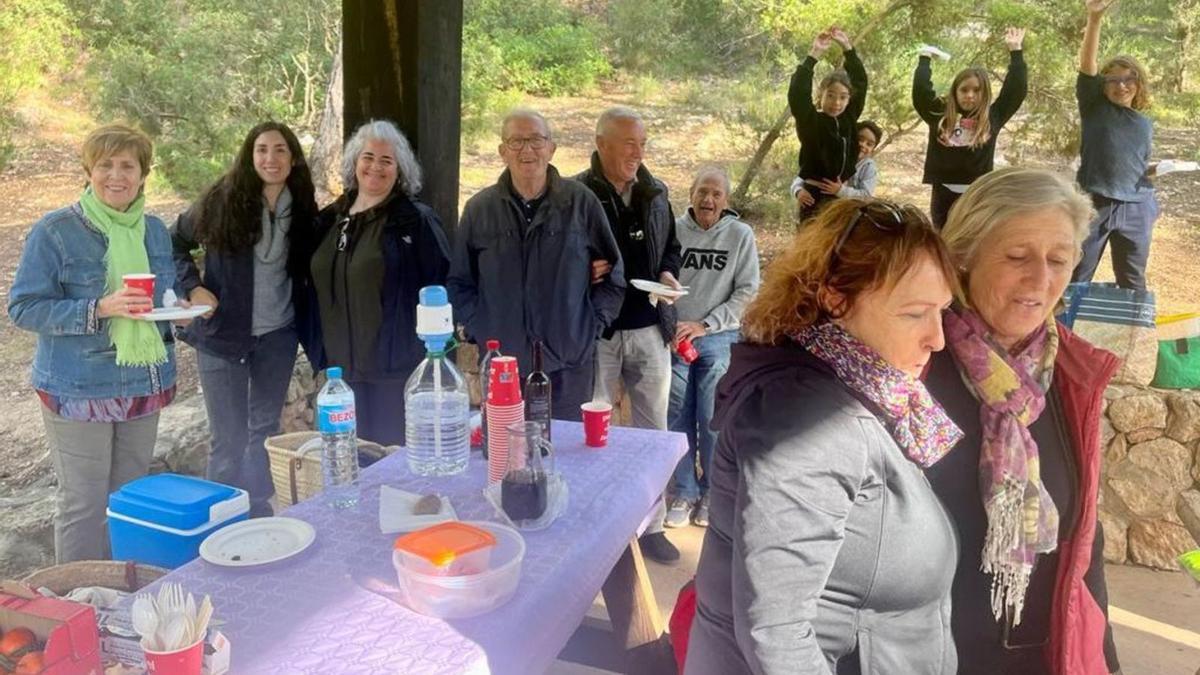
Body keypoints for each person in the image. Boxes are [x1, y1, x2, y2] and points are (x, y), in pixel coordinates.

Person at [683, 198, 961, 674]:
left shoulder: (859, 383)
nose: (937, 337)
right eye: (915, 314)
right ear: (835, 298)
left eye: (943, 312)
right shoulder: (806, 419)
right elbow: (777, 635)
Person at [929, 167, 1121, 674]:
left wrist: (1103, 663)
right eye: (1017, 256)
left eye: (1058, 259)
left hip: (1035, 657)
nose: (1040, 279)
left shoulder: (1070, 378)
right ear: (965, 255)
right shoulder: (913, 365)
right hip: (922, 657)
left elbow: (1084, 547)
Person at [9, 124, 178, 562]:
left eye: (128, 165)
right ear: (89, 170)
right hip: (79, 390)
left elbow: (163, 304)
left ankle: (119, 596)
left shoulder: (155, 231)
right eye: (105, 165)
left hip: (143, 385)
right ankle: (79, 607)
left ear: (144, 175)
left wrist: (186, 310)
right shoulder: (56, 231)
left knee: (129, 502)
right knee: (83, 505)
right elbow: (24, 307)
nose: (116, 175)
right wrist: (99, 308)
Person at [172, 121, 317, 518]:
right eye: (262, 150)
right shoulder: (222, 199)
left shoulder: (302, 205)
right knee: (228, 438)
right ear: (249, 156)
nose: (270, 158)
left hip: (278, 336)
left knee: (265, 429)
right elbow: (174, 242)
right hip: (222, 336)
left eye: (280, 150)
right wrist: (193, 287)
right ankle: (219, 520)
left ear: (293, 159)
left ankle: (256, 511)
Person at [447, 109, 625, 423]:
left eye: (536, 140)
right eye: (516, 141)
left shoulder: (581, 203)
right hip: (504, 365)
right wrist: (483, 327)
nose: (527, 150)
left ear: (552, 148)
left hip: (570, 364)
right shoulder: (479, 209)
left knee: (569, 459)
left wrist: (590, 326)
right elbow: (460, 283)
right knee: (504, 457)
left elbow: (614, 276)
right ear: (502, 152)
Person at [575, 106, 683, 563]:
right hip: (599, 331)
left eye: (642, 144)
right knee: (592, 433)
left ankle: (651, 526)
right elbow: (559, 258)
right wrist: (583, 270)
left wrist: (668, 273)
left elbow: (672, 247)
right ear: (601, 144)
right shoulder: (576, 194)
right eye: (628, 143)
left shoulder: (654, 192)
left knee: (653, 435)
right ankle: (595, 524)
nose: (638, 153)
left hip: (650, 329)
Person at [304, 120, 450, 446]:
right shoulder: (330, 220)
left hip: (393, 373)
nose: (375, 167)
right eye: (368, 157)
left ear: (400, 170)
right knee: (345, 465)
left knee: (390, 465)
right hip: (338, 376)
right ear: (354, 162)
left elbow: (443, 285)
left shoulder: (415, 221)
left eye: (387, 160)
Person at [664, 166, 759, 529]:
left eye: (717, 194)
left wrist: (705, 325)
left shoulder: (739, 235)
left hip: (717, 337)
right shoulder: (672, 230)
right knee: (677, 418)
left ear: (726, 200)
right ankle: (685, 490)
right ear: (691, 193)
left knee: (712, 419)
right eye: (703, 192)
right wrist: (672, 324)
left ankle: (713, 493)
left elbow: (747, 291)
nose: (709, 200)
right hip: (675, 338)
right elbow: (658, 279)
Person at [1070, 0, 1157, 291]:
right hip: (1095, 202)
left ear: (1139, 83)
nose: (1121, 86)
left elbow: (1136, 163)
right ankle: (1061, 333)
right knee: (1077, 275)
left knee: (1133, 283)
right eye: (1113, 80)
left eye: (1128, 79)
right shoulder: (1094, 107)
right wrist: (1094, 19)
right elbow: (1087, 68)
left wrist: (1155, 170)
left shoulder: (1144, 123)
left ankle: (1132, 337)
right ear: (1102, 86)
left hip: (1137, 206)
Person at [912, 27, 1027, 228]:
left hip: (977, 194)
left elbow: (1015, 91)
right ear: (955, 91)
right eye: (964, 90)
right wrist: (925, 59)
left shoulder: (992, 117)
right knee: (945, 241)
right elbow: (921, 94)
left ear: (985, 93)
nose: (970, 95)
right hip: (943, 193)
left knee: (972, 243)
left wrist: (1016, 52)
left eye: (977, 90)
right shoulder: (940, 115)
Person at [788, 26, 868, 220]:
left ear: (850, 99)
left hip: (841, 196)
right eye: (830, 96)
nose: (836, 103)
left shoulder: (849, 118)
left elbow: (860, 81)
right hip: (814, 198)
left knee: (840, 247)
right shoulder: (811, 121)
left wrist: (848, 48)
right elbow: (798, 93)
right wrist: (814, 54)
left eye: (843, 97)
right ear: (820, 95)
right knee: (811, 247)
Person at [790, 120, 881, 202]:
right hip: (816, 202)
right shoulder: (833, 155)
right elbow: (805, 174)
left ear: (872, 149)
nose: (863, 145)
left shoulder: (868, 167)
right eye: (860, 139)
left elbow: (866, 195)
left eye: (869, 144)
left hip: (847, 212)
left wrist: (840, 190)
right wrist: (798, 190)